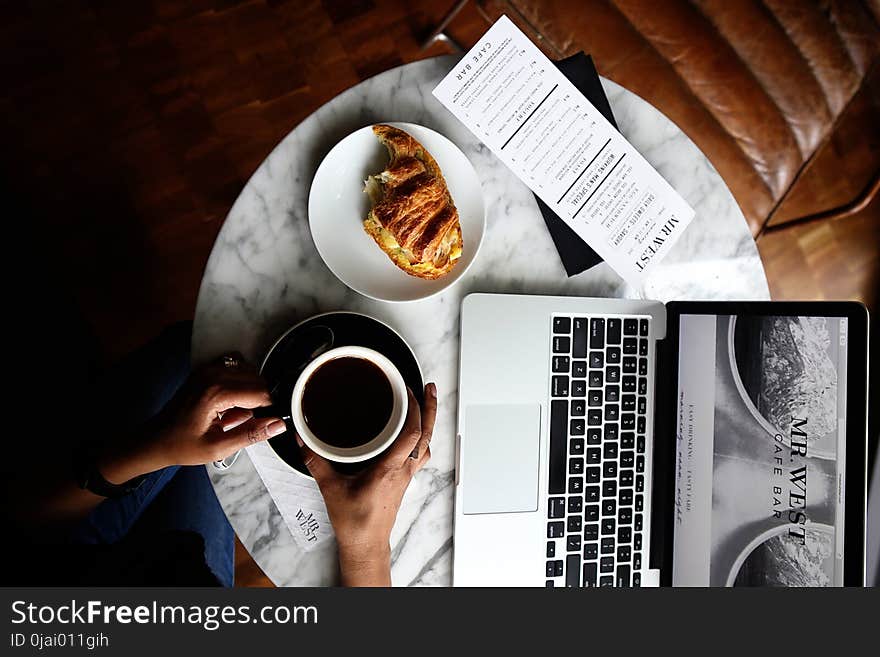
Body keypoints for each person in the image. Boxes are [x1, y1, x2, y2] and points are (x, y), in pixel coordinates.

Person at [4, 322, 435, 587]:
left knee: (191, 361)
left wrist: (154, 444)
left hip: (75, 562)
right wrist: (366, 549)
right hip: (186, 573)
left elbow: (26, 526)